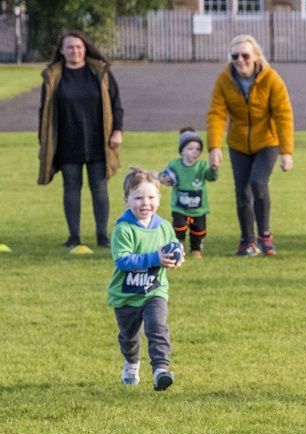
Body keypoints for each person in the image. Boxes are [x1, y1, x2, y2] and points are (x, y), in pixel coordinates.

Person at [206, 34, 294, 257]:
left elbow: (283, 115)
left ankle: (265, 236)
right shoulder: (225, 79)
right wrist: (214, 147)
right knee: (242, 191)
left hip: (267, 141)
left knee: (258, 182)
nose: (240, 60)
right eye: (235, 56)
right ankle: (247, 241)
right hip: (238, 143)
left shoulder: (271, 79)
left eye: (245, 55)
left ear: (256, 56)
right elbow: (216, 114)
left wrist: (286, 151)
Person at [37, 29, 123, 249]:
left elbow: (116, 103)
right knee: (71, 188)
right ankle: (73, 236)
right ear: (62, 51)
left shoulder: (100, 72)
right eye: (70, 47)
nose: (74, 51)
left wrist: (117, 131)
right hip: (67, 141)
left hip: (98, 141)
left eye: (78, 47)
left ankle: (102, 236)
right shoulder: (53, 76)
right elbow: (44, 112)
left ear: (85, 48)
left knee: (99, 187)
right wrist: (43, 142)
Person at [107, 167, 182, 391]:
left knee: (157, 327)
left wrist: (176, 257)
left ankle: (161, 370)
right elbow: (122, 261)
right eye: (138, 197)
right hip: (126, 295)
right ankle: (131, 363)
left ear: (159, 198)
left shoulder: (164, 226)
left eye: (151, 197)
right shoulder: (124, 228)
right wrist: (155, 258)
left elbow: (173, 247)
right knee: (129, 338)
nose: (145, 203)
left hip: (154, 292)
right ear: (126, 200)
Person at [159, 127, 219, 259]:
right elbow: (164, 176)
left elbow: (211, 178)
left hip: (198, 208)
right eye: (190, 149)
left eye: (198, 149)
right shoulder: (174, 165)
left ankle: (196, 249)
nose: (195, 152)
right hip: (180, 206)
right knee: (179, 227)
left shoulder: (202, 166)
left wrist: (214, 168)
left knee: (198, 230)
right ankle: (179, 245)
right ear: (182, 151)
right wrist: (163, 178)